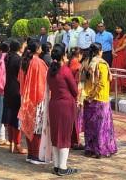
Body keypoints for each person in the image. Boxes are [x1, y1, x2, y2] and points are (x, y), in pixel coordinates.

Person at [81, 43, 118, 158]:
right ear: (100, 51)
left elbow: (82, 79)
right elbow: (101, 83)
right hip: (100, 98)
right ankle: (100, 149)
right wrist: (93, 95)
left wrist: (89, 95)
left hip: (87, 97)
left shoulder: (86, 63)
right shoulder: (101, 64)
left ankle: (89, 148)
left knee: (90, 124)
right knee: (101, 126)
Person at [47, 47, 79, 176]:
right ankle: (63, 167)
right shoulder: (65, 70)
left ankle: (56, 165)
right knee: (64, 136)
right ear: (63, 56)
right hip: (65, 105)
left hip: (54, 104)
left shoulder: (50, 71)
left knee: (55, 135)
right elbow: (75, 91)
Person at [18, 41, 48, 164]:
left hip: (26, 98)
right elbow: (43, 82)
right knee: (37, 128)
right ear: (37, 49)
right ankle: (35, 155)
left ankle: (31, 154)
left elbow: (20, 79)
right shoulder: (38, 62)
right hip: (37, 98)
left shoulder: (25, 61)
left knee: (29, 126)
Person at [2, 40, 25, 154]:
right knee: (16, 119)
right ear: (19, 48)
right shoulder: (18, 59)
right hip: (16, 89)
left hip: (8, 89)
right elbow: (21, 75)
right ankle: (17, 144)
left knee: (10, 117)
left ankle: (11, 142)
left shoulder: (7, 58)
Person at [111, 26, 126, 91]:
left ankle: (122, 87)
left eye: (119, 28)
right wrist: (113, 51)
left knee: (121, 69)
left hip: (122, 55)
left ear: (122, 29)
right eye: (116, 28)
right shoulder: (115, 37)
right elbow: (112, 45)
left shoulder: (125, 36)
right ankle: (115, 87)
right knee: (115, 69)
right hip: (115, 55)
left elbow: (124, 45)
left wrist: (115, 51)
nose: (117, 30)